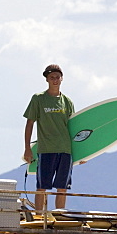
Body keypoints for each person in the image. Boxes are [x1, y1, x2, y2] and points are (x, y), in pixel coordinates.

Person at [22, 64, 75, 211]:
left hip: (65, 150)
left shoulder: (67, 102)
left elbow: (75, 128)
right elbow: (29, 123)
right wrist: (27, 148)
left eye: (58, 77)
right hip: (46, 149)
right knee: (42, 186)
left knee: (62, 187)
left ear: (62, 78)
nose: (55, 80)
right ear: (47, 79)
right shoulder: (38, 99)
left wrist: (82, 153)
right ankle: (39, 215)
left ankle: (59, 216)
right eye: (52, 77)